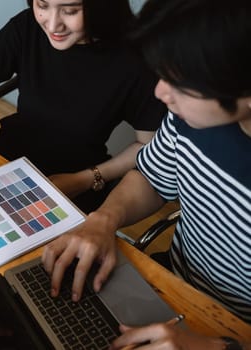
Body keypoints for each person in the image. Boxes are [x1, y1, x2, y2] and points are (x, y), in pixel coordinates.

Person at [42, 0, 251, 348]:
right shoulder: (191, 117)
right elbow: (151, 179)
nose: (159, 92)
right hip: (171, 288)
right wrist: (103, 220)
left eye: (179, 83)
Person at [0, 0, 166, 213]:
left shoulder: (136, 59)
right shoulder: (28, 26)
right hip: (6, 161)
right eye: (42, 5)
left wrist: (83, 179)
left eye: (70, 10)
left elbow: (148, 145)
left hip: (73, 184)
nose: (52, 25)